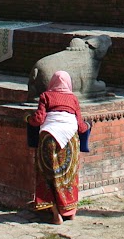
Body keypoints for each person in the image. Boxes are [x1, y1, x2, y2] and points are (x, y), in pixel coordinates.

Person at [28, 71, 88, 224]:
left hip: (49, 138)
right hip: (70, 140)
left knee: (47, 175)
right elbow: (81, 126)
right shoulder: (73, 99)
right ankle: (70, 211)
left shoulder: (46, 96)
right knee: (69, 176)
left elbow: (39, 118)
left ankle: (55, 214)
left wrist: (28, 119)